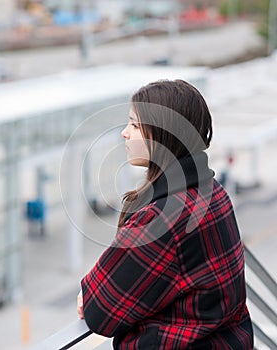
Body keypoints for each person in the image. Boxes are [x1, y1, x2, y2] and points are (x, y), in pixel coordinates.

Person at [77, 80, 253, 349]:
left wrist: (90, 292)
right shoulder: (212, 191)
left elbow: (99, 311)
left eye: (135, 125)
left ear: (163, 134)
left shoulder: (162, 217)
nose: (124, 133)